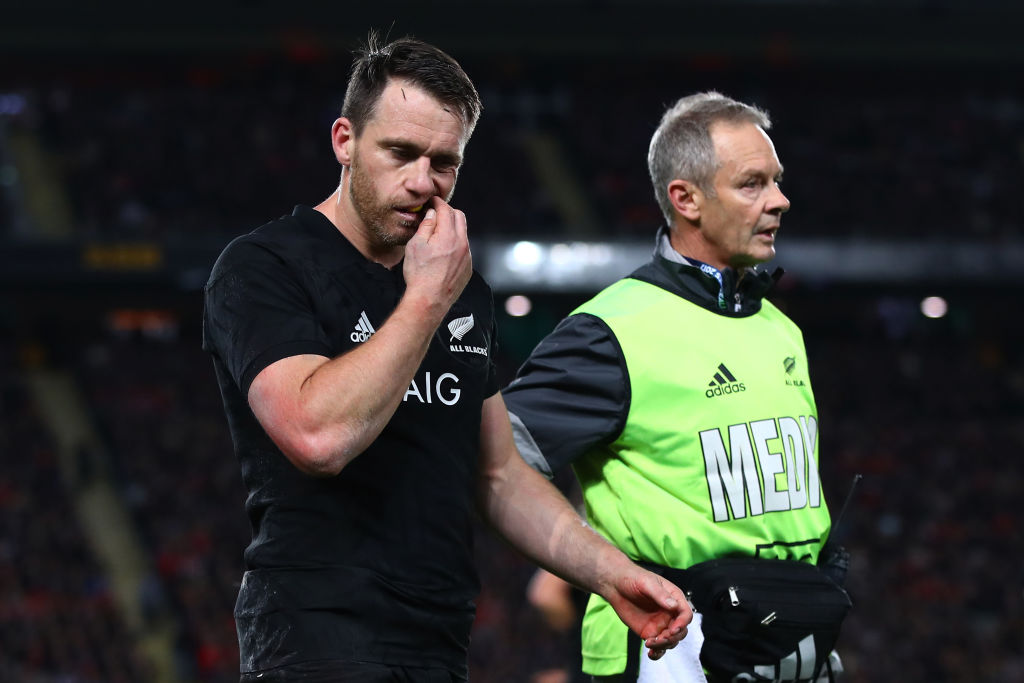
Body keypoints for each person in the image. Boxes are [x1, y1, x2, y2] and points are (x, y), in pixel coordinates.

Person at [201, 33, 691, 682]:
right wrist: (427, 295)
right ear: (344, 140)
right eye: (400, 152)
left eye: (443, 163)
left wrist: (611, 574)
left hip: (437, 643)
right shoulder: (266, 267)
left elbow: (498, 476)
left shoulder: (462, 288)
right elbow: (317, 434)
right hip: (314, 641)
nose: (421, 182)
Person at [503, 91, 844, 682]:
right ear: (685, 198)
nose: (780, 201)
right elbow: (492, 463)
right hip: (665, 653)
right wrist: (603, 569)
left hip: (786, 650)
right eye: (753, 184)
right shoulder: (611, 330)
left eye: (778, 181)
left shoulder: (782, 329)